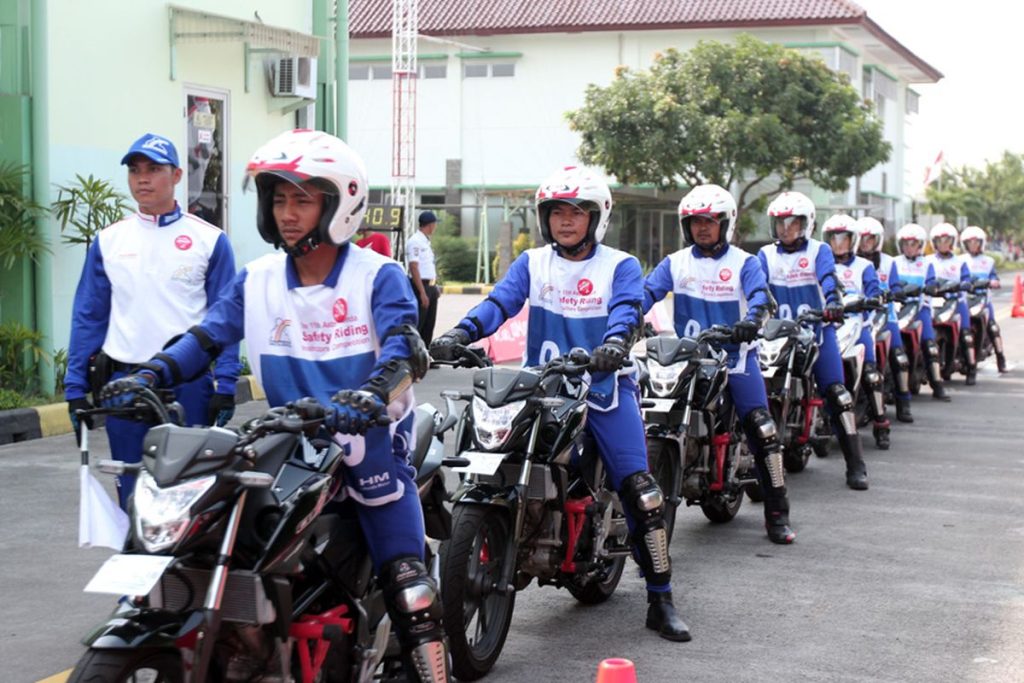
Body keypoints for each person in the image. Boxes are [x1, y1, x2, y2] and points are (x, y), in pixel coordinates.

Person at [97, 130, 449, 682]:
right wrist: (150, 374)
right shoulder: (257, 278)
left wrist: (372, 395)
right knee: (208, 534)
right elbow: (208, 336)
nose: (287, 213)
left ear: (339, 205)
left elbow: (408, 349)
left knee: (410, 590)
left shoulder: (375, 276)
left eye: (302, 199)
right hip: (284, 442)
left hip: (369, 442)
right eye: (279, 198)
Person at [430, 166, 691, 642]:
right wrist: (458, 334)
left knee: (639, 489)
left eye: (576, 212)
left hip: (604, 392)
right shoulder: (532, 262)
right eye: (556, 213)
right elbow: (499, 303)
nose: (566, 222)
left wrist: (614, 345)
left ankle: (661, 596)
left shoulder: (619, 265)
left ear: (597, 217)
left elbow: (627, 310)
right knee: (487, 460)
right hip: (542, 391)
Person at [65, 132, 241, 510]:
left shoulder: (209, 241)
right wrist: (75, 387)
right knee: (130, 486)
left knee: (190, 490)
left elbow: (226, 318)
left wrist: (225, 382)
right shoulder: (109, 241)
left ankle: (186, 570)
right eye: (135, 170)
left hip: (188, 384)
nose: (142, 178)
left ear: (177, 175)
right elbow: (88, 317)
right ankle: (137, 565)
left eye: (154, 169)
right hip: (124, 384)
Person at [643, 184, 796, 544]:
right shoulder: (674, 262)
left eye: (711, 221)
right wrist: (630, 317)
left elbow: (761, 297)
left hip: (735, 359)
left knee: (763, 430)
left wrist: (752, 320)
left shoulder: (745, 262)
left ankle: (777, 514)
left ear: (726, 223)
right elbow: (645, 294)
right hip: (685, 362)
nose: (703, 228)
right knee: (648, 423)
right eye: (696, 221)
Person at [758, 192, 869, 491]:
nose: (785, 229)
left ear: (806, 224)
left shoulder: (820, 250)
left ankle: (855, 464)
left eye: (792, 223)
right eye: (780, 223)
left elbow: (828, 279)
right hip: (775, 338)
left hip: (816, 335)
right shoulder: (765, 255)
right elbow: (755, 288)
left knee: (836, 393)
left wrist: (833, 301)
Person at [822, 215, 890, 449]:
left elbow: (874, 290)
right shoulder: (822, 264)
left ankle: (881, 422)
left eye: (844, 238)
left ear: (853, 240)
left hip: (858, 325)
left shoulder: (865, 266)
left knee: (871, 374)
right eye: (834, 238)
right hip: (828, 325)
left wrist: (873, 298)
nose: (838, 243)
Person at [856, 217, 914, 423]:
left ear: (878, 240)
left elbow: (896, 285)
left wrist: (897, 292)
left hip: (885, 316)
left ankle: (903, 401)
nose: (865, 243)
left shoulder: (890, 262)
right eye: (862, 239)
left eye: (870, 239)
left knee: (899, 357)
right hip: (857, 317)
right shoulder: (851, 262)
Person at [892, 224, 950, 401]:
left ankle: (937, 385)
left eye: (913, 244)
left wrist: (931, 287)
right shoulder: (894, 262)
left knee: (929, 344)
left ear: (920, 245)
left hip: (920, 308)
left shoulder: (927, 264)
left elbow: (932, 282)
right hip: (897, 308)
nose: (909, 247)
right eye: (906, 244)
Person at [926, 223, 977, 385]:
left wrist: (966, 284)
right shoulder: (927, 261)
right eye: (939, 240)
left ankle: (971, 368)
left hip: (956, 301)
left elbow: (966, 279)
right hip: (933, 301)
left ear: (952, 242)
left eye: (946, 240)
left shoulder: (960, 262)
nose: (943, 244)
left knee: (966, 335)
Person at [960, 225, 1007, 372]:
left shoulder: (988, 261)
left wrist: (994, 282)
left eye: (976, 242)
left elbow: (994, 277)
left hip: (983, 300)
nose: (973, 245)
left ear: (982, 243)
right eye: (970, 242)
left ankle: (1000, 357)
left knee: (993, 328)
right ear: (965, 244)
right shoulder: (960, 260)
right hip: (965, 299)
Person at [407, 210, 439, 345]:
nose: (435, 227)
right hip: (421, 286)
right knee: (419, 323)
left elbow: (427, 266)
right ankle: (413, 354)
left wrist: (434, 287)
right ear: (430, 225)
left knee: (429, 324)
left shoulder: (426, 241)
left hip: (430, 286)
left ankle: (425, 354)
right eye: (435, 224)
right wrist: (422, 292)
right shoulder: (415, 241)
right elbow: (414, 267)